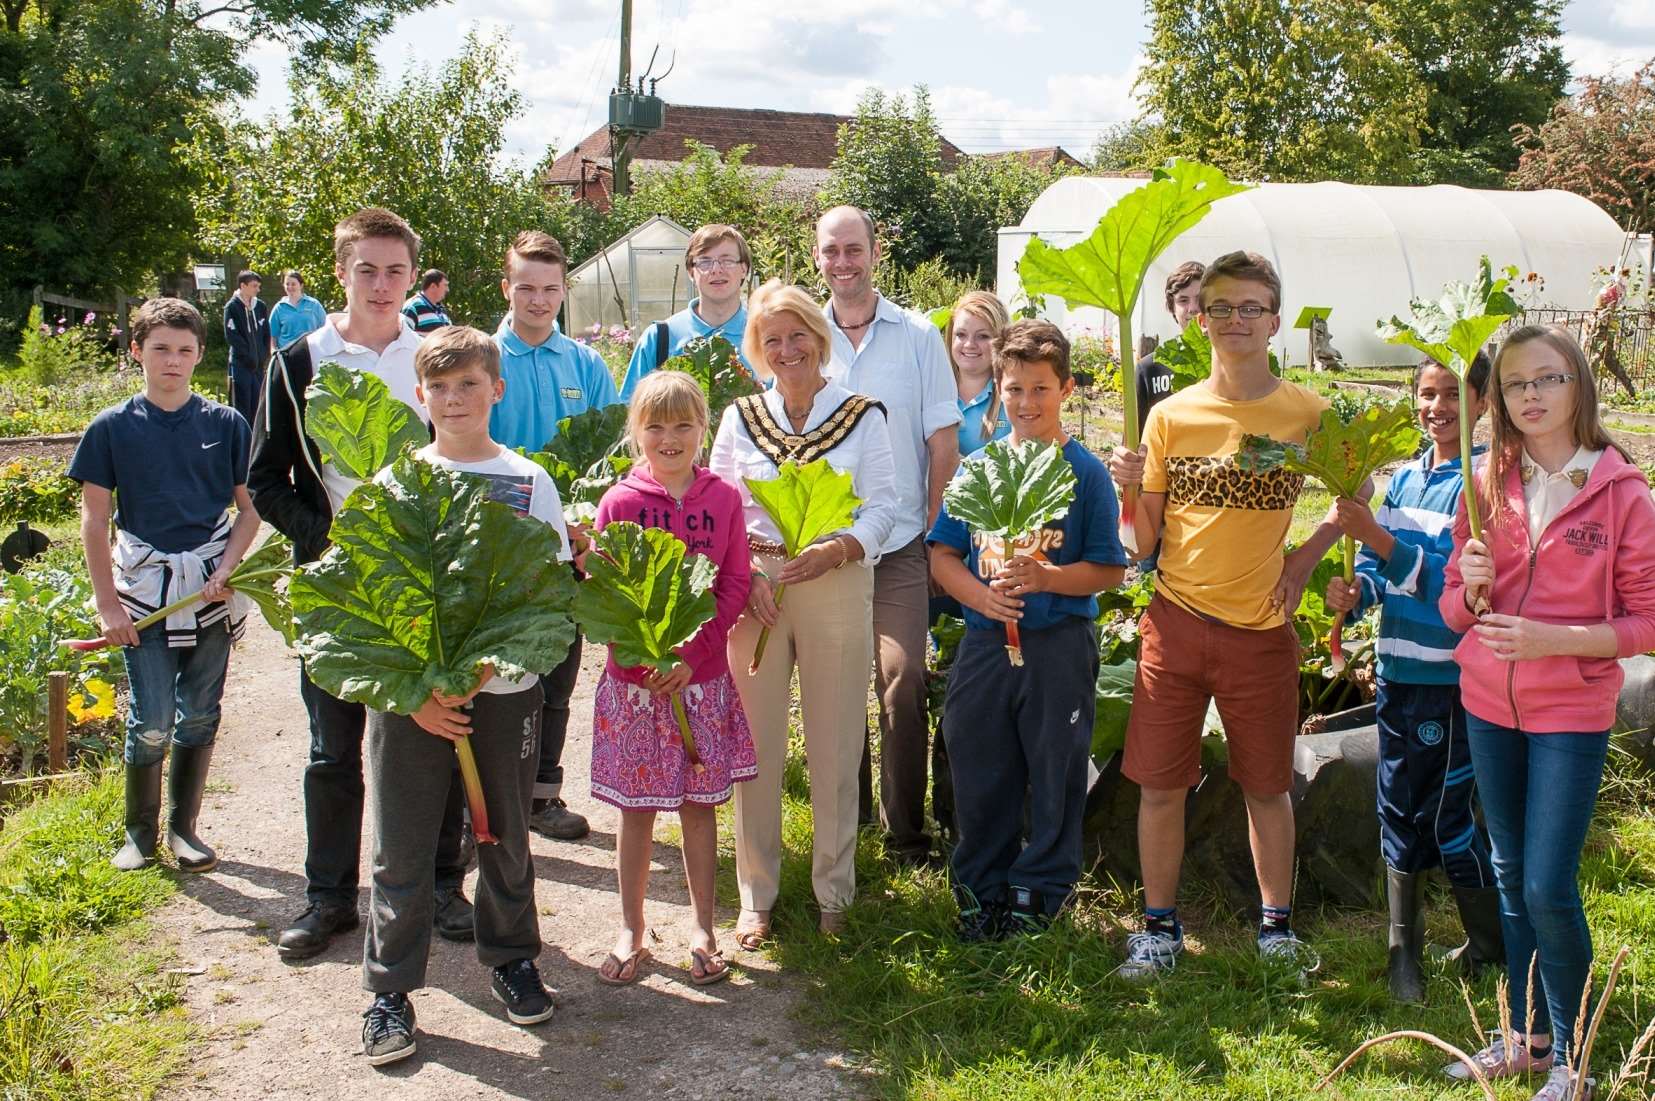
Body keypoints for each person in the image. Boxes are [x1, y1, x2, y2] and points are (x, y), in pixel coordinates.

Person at [250, 207, 474, 960]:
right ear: (341, 272)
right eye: (366, 269)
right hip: (337, 584)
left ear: (414, 275)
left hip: (423, 579)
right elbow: (264, 480)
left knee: (434, 735)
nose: (382, 285)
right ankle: (328, 898)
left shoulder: (436, 356)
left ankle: (444, 884)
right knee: (332, 747)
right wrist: (330, 538)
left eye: (396, 270)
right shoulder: (298, 362)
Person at [1109, 250, 1341, 980]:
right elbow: (1140, 539)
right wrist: (1124, 493)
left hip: (1260, 632)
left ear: (1274, 320)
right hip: (1173, 622)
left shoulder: (1307, 412)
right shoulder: (1170, 416)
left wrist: (1303, 562)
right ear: (1198, 320)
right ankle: (1158, 928)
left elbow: (1351, 499)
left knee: (1267, 785)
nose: (1235, 320)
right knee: (1158, 784)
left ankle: (1275, 929)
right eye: (1221, 308)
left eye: (1250, 308)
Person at [1438, 326, 1655, 1101]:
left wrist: (1550, 639)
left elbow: (1646, 619)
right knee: (1506, 870)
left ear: (1578, 386)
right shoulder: (1483, 481)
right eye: (1514, 384)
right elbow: (1454, 612)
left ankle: (1573, 1056)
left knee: (1546, 884)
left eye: (1548, 379)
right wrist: (1464, 587)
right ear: (1496, 399)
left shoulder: (1620, 492)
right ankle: (1525, 1037)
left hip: (1570, 708)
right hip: (1488, 703)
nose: (1531, 395)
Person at [358, 325, 566, 1067]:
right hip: (411, 699)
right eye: (439, 388)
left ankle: (510, 957)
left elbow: (548, 593)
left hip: (504, 691)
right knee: (402, 841)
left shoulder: (528, 481)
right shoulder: (395, 484)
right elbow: (365, 601)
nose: (453, 400)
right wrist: (417, 693)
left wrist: (474, 676)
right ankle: (389, 989)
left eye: (468, 386)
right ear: (419, 396)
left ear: (495, 390)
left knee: (502, 832)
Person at [710, 280, 899, 943]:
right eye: (772, 340)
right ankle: (755, 894)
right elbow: (717, 508)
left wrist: (839, 547)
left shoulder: (860, 414)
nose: (786, 350)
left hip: (834, 577)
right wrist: (739, 576)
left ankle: (834, 892)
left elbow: (885, 507)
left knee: (836, 739)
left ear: (818, 339)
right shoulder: (738, 417)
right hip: (754, 587)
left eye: (797, 336)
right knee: (753, 748)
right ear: (757, 351)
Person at [928, 320, 1126, 938]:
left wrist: (1046, 580)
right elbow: (942, 556)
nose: (1026, 403)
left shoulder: (1086, 473)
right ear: (998, 389)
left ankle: (1038, 888)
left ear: (1065, 389)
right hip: (989, 643)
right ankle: (980, 887)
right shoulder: (979, 467)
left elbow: (1109, 571)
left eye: (1040, 389)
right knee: (978, 761)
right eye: (1014, 390)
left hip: (1056, 645)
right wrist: (984, 602)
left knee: (1055, 766)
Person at [1324, 354, 1503, 1004]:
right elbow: (1387, 574)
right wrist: (1356, 592)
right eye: (1426, 394)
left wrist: (1372, 534)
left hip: (1449, 679)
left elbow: (1446, 586)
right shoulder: (1400, 481)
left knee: (1447, 815)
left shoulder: (1481, 486)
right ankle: (1405, 952)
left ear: (1481, 402)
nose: (1435, 407)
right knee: (1396, 804)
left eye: (1451, 395)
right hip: (1397, 671)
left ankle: (1489, 946)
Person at [71, 297, 260, 874]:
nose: (172, 361)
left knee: (200, 712)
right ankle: (138, 834)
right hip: (144, 592)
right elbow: (96, 520)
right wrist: (108, 606)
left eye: (184, 350)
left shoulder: (226, 424)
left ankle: (184, 830)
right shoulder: (110, 429)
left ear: (201, 354)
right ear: (137, 352)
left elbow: (248, 511)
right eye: (160, 349)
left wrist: (227, 567)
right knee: (151, 718)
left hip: (207, 590)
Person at [589, 370, 757, 986]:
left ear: (702, 430)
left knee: (697, 806)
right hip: (636, 690)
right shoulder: (620, 504)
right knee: (635, 812)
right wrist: (644, 664)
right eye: (656, 426)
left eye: (683, 425)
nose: (670, 438)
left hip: (702, 681)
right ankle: (631, 928)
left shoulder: (722, 499)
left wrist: (692, 657)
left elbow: (735, 583)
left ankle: (703, 927)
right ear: (637, 433)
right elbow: (605, 596)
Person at [816, 205, 961, 868]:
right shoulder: (802, 334)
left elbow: (941, 439)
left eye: (853, 249)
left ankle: (906, 835)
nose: (842, 262)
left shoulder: (917, 334)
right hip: (826, 547)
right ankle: (844, 827)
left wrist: (938, 532)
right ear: (815, 257)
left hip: (901, 539)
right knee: (840, 686)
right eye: (830, 251)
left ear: (876, 252)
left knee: (901, 679)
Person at [489, 229, 623, 841]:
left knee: (558, 679)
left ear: (564, 290)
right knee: (494, 679)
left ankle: (544, 795)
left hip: (568, 546)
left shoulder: (585, 363)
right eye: (526, 288)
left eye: (550, 288)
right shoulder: (482, 361)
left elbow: (612, 453)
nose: (538, 300)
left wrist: (585, 523)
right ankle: (485, 806)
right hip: (502, 545)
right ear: (506, 289)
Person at [620, 223, 755, 399]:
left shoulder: (765, 335)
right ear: (691, 272)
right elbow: (631, 413)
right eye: (705, 262)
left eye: (727, 261)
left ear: (744, 269)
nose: (716, 270)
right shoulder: (660, 338)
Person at [1135, 261, 1206, 435]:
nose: (1193, 308)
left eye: (1200, 299)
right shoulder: (1149, 369)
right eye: (1183, 300)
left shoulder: (1231, 365)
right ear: (1171, 308)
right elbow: (1136, 439)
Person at [944, 290, 1011, 457]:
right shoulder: (932, 392)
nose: (969, 344)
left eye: (982, 336)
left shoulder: (1012, 399)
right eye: (961, 335)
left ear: (1001, 340)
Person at [223, 270, 269, 428]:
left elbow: (265, 333)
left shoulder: (260, 306)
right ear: (243, 286)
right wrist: (247, 356)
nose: (258, 289)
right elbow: (232, 335)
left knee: (258, 401)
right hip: (241, 364)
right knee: (242, 402)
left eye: (259, 286)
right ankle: (241, 434)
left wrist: (263, 355)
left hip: (257, 365)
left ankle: (256, 434)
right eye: (254, 286)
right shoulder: (232, 307)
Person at [268, 271, 328, 353]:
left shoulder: (314, 305)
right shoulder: (279, 307)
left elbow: (325, 328)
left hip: (311, 351)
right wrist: (273, 350)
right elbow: (273, 334)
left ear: (301, 285)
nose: (290, 287)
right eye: (287, 284)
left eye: (293, 284)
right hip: (287, 354)